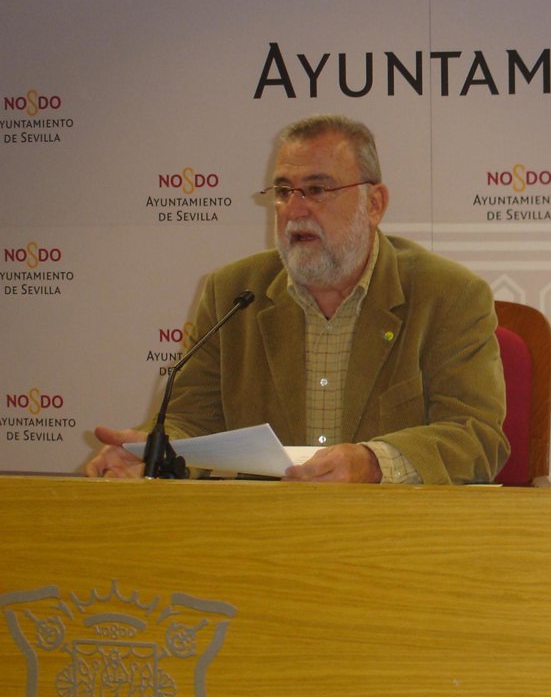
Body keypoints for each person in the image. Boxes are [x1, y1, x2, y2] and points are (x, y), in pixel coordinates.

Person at [85, 115, 508, 483]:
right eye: (284, 191)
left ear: (374, 204)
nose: (294, 209)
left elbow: (475, 434)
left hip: (395, 530)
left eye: (317, 189)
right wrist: (154, 454)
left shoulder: (448, 295)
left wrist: (374, 463)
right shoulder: (233, 292)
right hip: (266, 530)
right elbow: (191, 420)